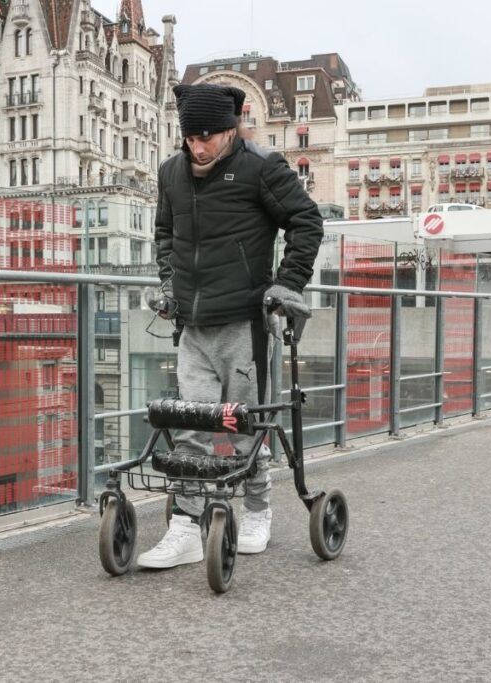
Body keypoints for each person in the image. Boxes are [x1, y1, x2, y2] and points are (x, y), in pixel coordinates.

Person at [138, 83, 324, 569]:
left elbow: (306, 220)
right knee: (191, 427)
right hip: (193, 326)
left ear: (232, 128)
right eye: (191, 137)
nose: (199, 147)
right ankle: (184, 527)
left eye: (210, 136)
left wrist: (288, 284)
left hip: (246, 322)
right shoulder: (171, 173)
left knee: (247, 426)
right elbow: (165, 233)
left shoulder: (261, 167)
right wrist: (168, 283)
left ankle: (259, 510)